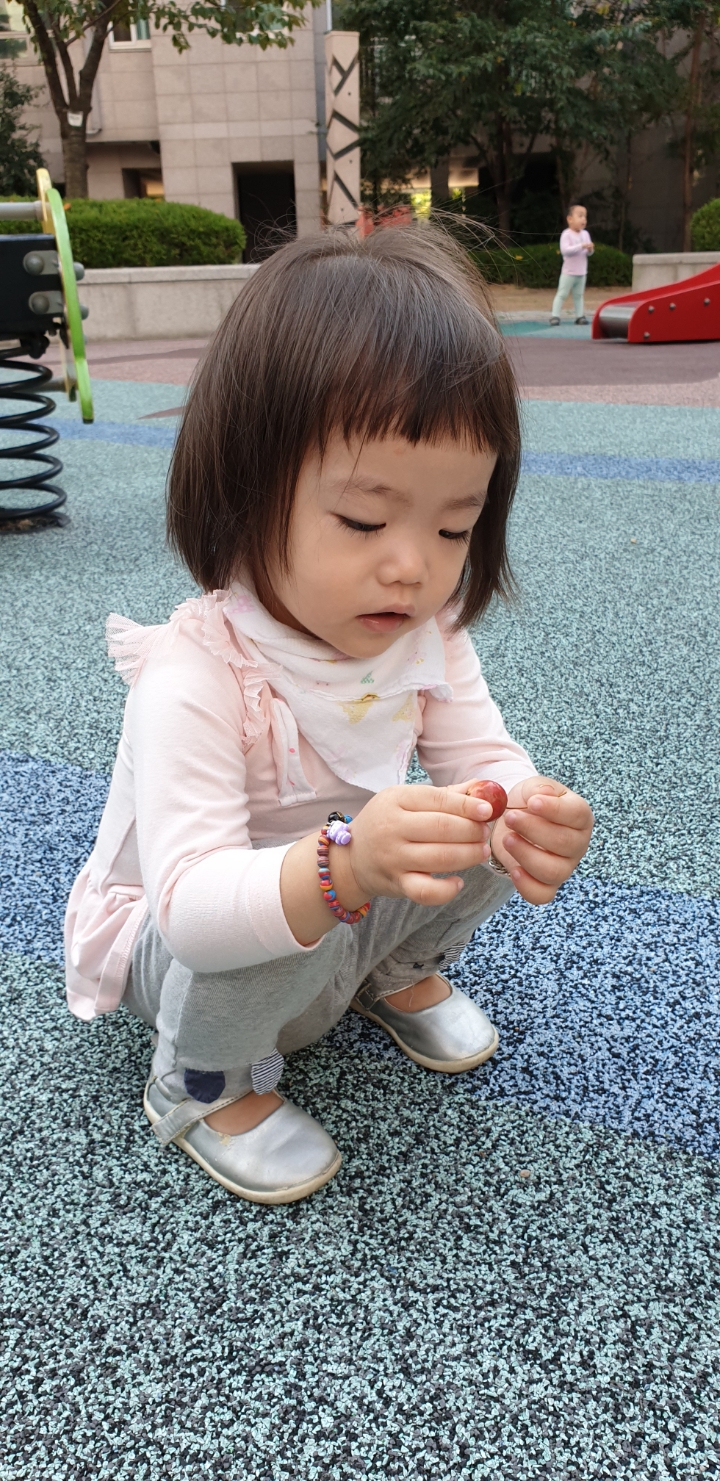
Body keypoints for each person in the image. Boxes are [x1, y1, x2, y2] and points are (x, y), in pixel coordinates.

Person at [65, 224, 594, 1205]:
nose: (413, 566)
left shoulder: (425, 631)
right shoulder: (197, 671)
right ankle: (202, 1081)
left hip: (336, 880)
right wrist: (343, 866)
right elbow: (193, 910)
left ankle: (389, 972)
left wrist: (526, 808)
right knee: (265, 918)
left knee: (480, 818)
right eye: (363, 519)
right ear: (244, 490)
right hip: (181, 939)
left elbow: (486, 753)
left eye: (455, 525)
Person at [550, 203, 594, 325]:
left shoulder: (585, 234)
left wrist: (590, 249)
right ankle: (555, 315)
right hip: (569, 272)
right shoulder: (566, 234)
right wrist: (581, 246)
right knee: (562, 294)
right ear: (570, 219)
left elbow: (589, 253)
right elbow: (565, 251)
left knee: (579, 295)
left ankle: (580, 316)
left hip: (582, 272)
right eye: (580, 216)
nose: (583, 219)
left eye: (585, 216)